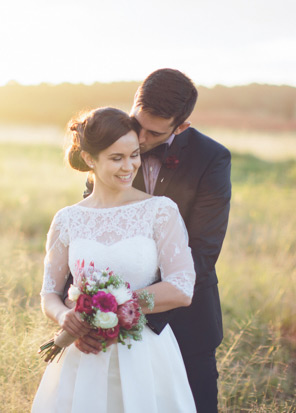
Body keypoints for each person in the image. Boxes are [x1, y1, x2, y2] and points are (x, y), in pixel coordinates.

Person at [77, 69, 232, 413]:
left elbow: (203, 252)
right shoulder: (112, 139)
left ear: (181, 127)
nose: (141, 138)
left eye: (155, 132)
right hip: (107, 326)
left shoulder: (212, 159)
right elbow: (91, 229)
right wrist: (87, 311)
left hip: (185, 319)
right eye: (138, 123)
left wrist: (126, 307)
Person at [32, 107, 197, 412]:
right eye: (116, 158)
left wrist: (111, 308)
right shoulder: (68, 219)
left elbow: (182, 287)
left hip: (145, 354)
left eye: (134, 155)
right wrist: (63, 317)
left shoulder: (160, 211)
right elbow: (49, 294)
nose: (129, 166)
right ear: (90, 159)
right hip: (84, 354)